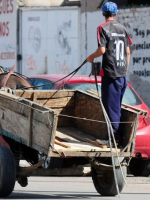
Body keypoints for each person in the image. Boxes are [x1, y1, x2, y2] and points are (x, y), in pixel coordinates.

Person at [87, 1, 133, 146]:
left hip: (111, 75)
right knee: (116, 108)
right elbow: (127, 51)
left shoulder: (102, 28)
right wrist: (124, 71)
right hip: (121, 75)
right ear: (116, 13)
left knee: (111, 109)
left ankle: (113, 140)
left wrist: (91, 57)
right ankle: (114, 137)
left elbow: (102, 50)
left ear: (103, 14)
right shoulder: (122, 28)